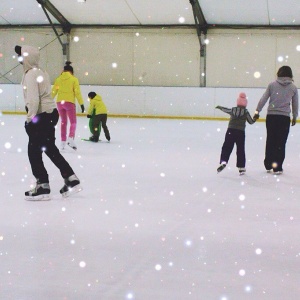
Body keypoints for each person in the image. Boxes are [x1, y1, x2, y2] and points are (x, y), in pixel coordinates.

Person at [15, 45, 82, 200]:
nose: (19, 59)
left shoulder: (30, 74)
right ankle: (71, 178)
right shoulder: (41, 71)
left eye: (21, 56)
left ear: (27, 58)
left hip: (41, 115)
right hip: (51, 113)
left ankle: (43, 186)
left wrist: (30, 119)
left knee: (34, 151)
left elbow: (33, 99)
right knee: (49, 148)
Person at [254, 66, 298, 175]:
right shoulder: (293, 88)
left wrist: (257, 111)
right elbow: (295, 104)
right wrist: (294, 116)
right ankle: (277, 167)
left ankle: (268, 164)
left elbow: (263, 99)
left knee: (271, 140)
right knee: (281, 142)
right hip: (284, 118)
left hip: (272, 117)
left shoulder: (272, 85)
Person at [216, 92, 256, 175]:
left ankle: (224, 161)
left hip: (230, 131)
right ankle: (241, 167)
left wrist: (220, 107)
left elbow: (226, 110)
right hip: (240, 132)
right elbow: (251, 122)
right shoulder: (245, 112)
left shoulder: (233, 110)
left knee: (227, 146)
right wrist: (255, 118)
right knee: (240, 149)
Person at [51, 61, 84, 150]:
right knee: (73, 122)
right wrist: (81, 103)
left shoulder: (58, 79)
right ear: (72, 72)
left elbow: (54, 91)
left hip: (59, 103)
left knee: (63, 122)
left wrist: (49, 100)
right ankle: (70, 138)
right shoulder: (74, 79)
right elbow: (77, 92)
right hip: (69, 102)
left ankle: (62, 142)